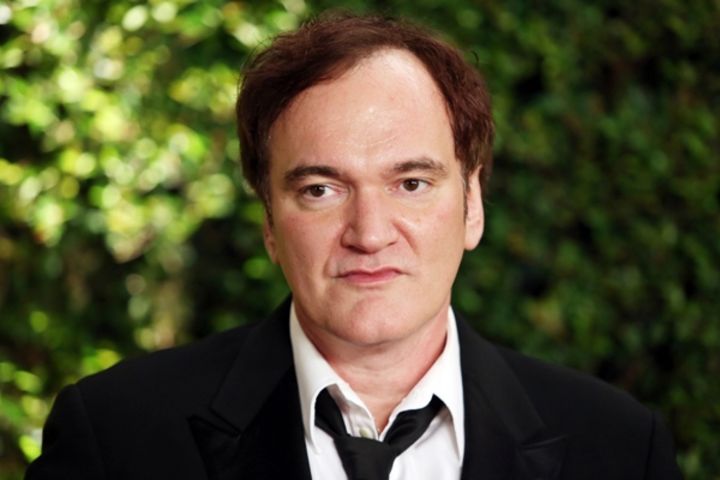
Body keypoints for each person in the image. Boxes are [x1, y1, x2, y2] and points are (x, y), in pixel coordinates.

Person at [26, 12, 681, 480]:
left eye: (411, 183)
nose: (369, 233)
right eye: (320, 190)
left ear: (473, 206)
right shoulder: (116, 437)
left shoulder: (620, 448)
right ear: (269, 224)